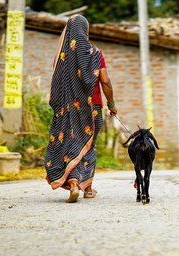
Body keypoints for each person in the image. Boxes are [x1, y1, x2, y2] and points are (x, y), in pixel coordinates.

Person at [44, 14, 117, 203]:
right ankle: (88, 188)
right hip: (91, 109)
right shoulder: (95, 53)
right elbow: (106, 82)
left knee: (70, 145)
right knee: (89, 145)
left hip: (67, 111)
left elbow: (55, 86)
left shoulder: (61, 58)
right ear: (85, 30)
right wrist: (111, 104)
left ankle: (75, 183)